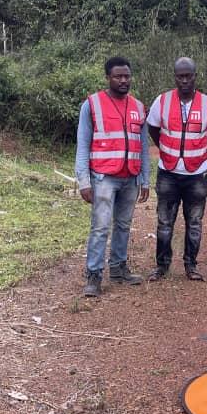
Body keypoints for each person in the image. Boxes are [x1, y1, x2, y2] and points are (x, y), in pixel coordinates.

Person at [75, 56, 150, 298]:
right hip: (103, 177)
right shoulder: (92, 105)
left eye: (126, 76)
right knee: (100, 227)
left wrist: (145, 179)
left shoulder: (139, 107)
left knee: (123, 225)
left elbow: (144, 146)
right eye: (118, 76)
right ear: (108, 77)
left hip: (130, 176)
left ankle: (118, 269)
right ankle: (94, 275)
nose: (123, 80)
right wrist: (84, 181)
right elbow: (83, 145)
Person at [146, 57, 207, 281]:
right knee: (164, 222)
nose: (185, 80)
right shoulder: (162, 101)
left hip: (197, 173)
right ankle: (162, 266)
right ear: (175, 77)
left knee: (195, 222)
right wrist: (167, 149)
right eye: (180, 76)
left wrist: (197, 148)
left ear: (195, 76)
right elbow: (153, 128)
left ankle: (191, 265)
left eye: (189, 76)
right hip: (168, 171)